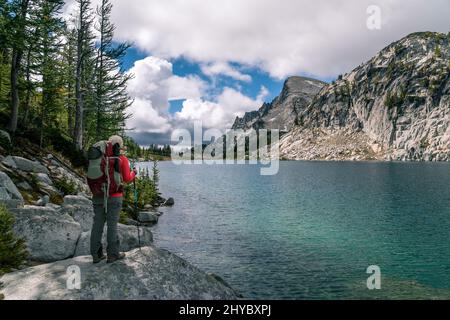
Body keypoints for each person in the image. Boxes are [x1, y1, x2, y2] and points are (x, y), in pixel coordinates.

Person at [90, 135, 137, 264]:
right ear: (120, 146)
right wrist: (134, 173)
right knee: (112, 225)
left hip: (98, 195)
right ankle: (113, 255)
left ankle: (96, 254)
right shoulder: (122, 159)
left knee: (97, 224)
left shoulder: (98, 157)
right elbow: (127, 178)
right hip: (114, 197)